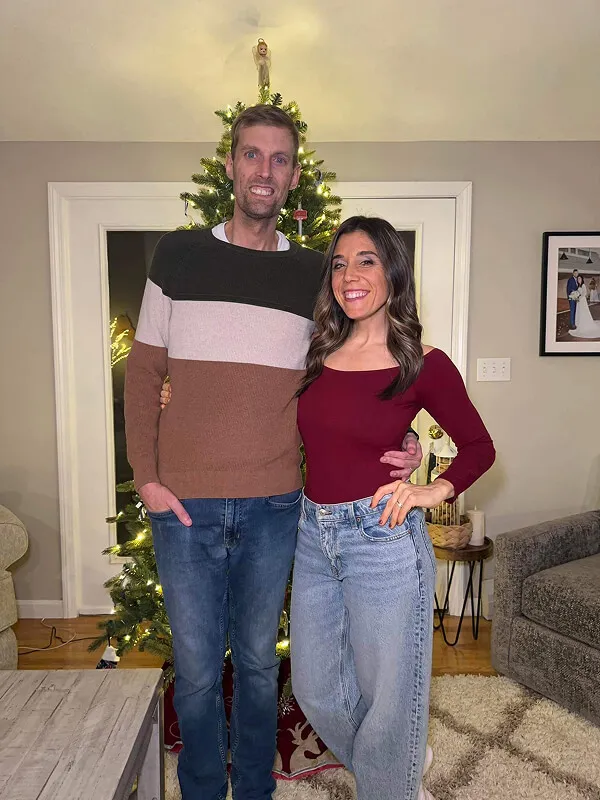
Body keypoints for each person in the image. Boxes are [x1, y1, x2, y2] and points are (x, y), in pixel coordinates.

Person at [125, 104, 422, 800]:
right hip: (184, 505)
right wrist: (147, 477)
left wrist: (400, 434)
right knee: (198, 671)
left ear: (292, 177)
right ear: (231, 164)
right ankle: (203, 789)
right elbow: (143, 372)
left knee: (260, 666)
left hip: (274, 505)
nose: (265, 170)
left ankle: (255, 789)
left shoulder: (316, 275)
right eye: (252, 155)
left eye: (280, 159)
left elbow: (355, 365)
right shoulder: (177, 256)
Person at [290, 216, 496, 800]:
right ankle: (402, 765)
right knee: (314, 688)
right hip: (313, 533)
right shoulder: (318, 351)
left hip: (381, 537)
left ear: (393, 273)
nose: (349, 275)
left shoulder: (423, 362)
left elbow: (479, 447)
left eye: (366, 261)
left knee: (390, 695)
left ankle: (394, 782)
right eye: (339, 264)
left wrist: (430, 489)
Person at [569, 274, 600, 338]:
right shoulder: (578, 286)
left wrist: (579, 298)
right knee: (579, 312)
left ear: (582, 279)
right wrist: (575, 296)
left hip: (582, 301)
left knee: (583, 313)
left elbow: (584, 293)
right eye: (578, 279)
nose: (579, 280)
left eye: (580, 278)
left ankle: (584, 325)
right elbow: (578, 293)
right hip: (579, 302)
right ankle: (579, 324)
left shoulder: (583, 285)